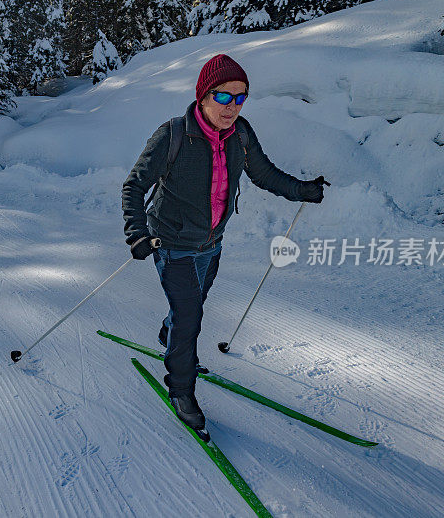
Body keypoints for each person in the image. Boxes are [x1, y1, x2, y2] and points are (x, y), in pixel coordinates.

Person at [121, 54, 329, 432]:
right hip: (171, 243)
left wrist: (303, 190)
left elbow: (264, 174)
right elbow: (135, 185)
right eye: (223, 96)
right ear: (203, 96)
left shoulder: (241, 135)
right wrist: (136, 232)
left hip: (211, 243)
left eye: (240, 97)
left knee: (193, 304)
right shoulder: (172, 135)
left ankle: (171, 336)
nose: (232, 106)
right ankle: (181, 388)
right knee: (190, 317)